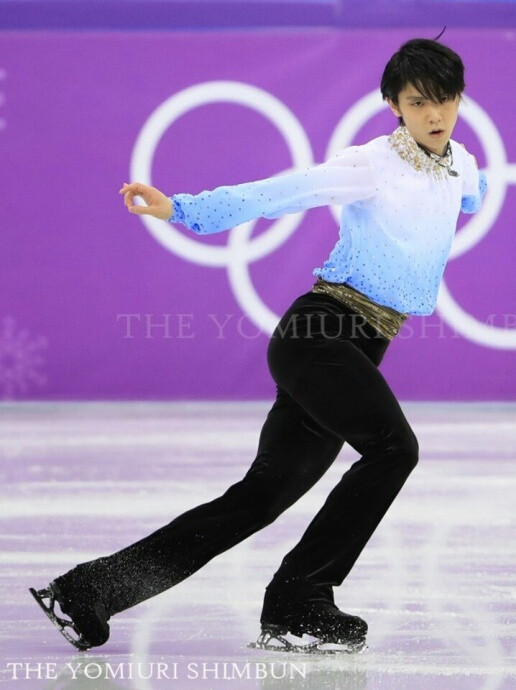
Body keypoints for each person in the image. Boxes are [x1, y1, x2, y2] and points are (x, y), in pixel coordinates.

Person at [30, 36, 487, 654]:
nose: (436, 114)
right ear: (393, 105)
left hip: (358, 348)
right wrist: (183, 210)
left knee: (258, 499)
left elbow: (468, 192)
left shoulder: (462, 169)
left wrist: (471, 192)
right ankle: (301, 599)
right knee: (394, 449)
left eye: (447, 100)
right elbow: (279, 192)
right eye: (419, 101)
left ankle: (87, 592)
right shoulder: (370, 165)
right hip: (320, 334)